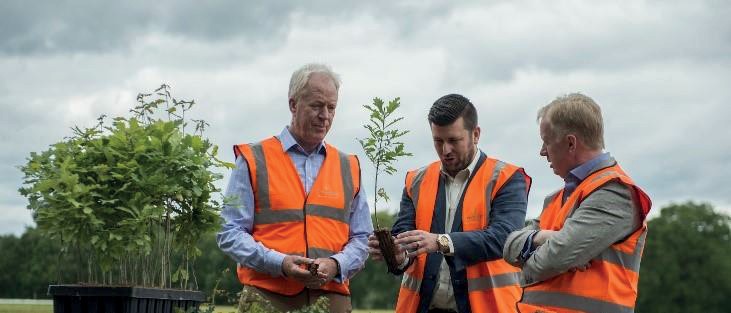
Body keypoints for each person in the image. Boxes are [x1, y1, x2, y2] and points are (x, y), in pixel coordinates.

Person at [217, 63, 373, 313]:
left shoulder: (349, 166)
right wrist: (280, 263)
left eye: (331, 107)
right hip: (267, 296)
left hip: (331, 298)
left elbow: (363, 237)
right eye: (316, 106)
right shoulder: (253, 159)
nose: (325, 115)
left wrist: (335, 265)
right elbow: (230, 232)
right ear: (293, 104)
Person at [369, 94, 531, 313]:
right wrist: (398, 256)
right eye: (438, 141)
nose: (445, 150)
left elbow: (504, 238)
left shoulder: (506, 178)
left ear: (476, 134)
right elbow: (404, 240)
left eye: (453, 140)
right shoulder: (416, 180)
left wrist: (440, 242)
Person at [503, 93, 652, 313]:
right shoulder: (556, 198)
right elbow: (509, 246)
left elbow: (551, 261)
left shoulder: (614, 192)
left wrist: (526, 260)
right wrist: (541, 237)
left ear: (571, 143)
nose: (542, 151)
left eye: (546, 142)